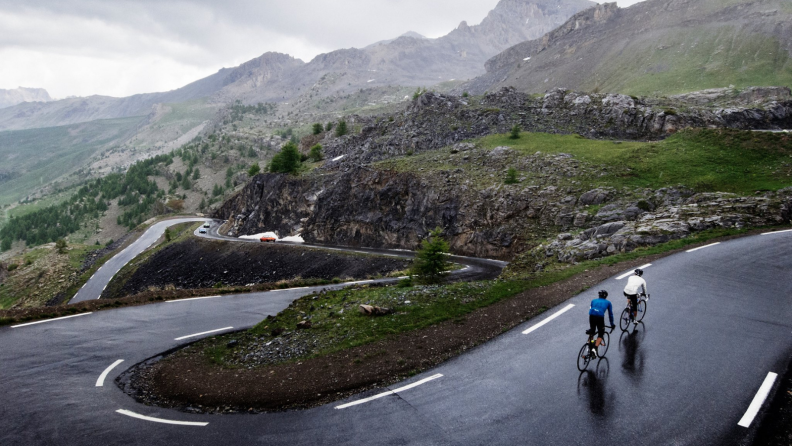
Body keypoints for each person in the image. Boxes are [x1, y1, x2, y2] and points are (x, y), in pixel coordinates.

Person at [588, 290, 614, 357]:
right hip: (600, 317)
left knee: (592, 331)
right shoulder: (608, 302)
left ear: (599, 295)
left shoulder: (593, 300)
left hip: (591, 316)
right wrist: (612, 324)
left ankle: (589, 347)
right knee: (601, 333)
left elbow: (591, 309)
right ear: (606, 296)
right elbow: (610, 314)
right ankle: (594, 349)